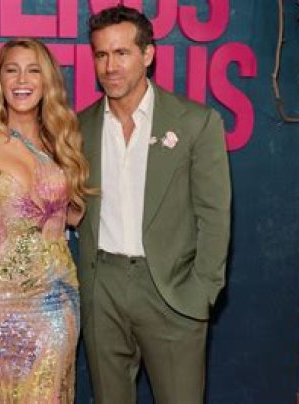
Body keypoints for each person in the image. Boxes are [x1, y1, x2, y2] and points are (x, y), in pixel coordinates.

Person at [76, 5, 231, 404]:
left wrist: (201, 292)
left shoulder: (196, 122)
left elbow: (214, 215)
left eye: (121, 53)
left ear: (148, 54)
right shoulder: (78, 128)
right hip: (102, 288)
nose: (110, 66)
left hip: (170, 290)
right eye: (101, 54)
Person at [0, 38, 91, 403]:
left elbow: (75, 215)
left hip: (54, 303)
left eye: (33, 70)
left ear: (47, 81)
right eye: (12, 70)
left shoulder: (62, 145)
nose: (22, 80)